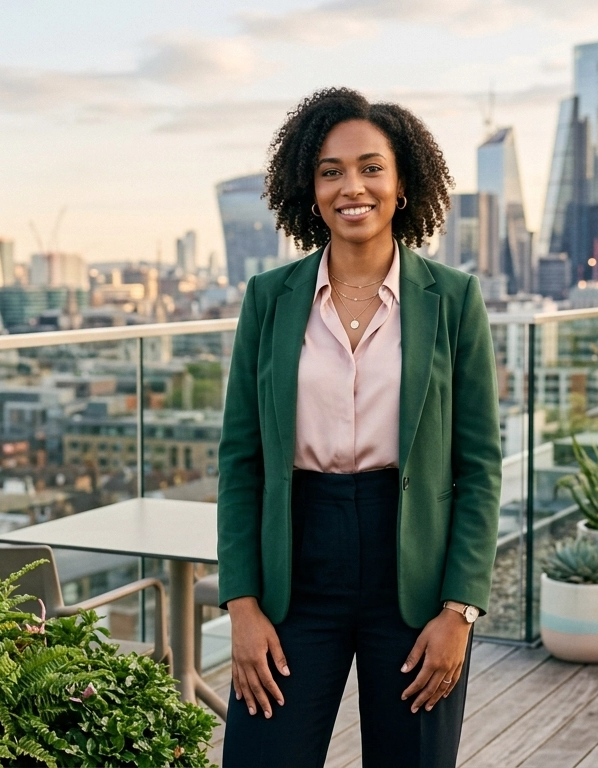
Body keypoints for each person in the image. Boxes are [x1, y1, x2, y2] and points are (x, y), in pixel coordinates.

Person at [216, 87, 502, 768]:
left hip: (414, 576)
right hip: (296, 564)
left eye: (372, 167)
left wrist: (460, 612)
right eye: (330, 170)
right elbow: (241, 460)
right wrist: (243, 605)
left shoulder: (453, 300)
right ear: (307, 189)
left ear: (403, 184)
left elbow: (479, 465)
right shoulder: (269, 299)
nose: (353, 186)